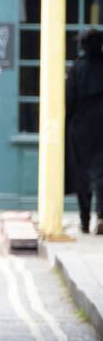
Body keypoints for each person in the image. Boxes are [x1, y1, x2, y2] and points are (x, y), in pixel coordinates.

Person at [67, 28, 103, 234]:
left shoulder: (77, 68)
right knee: (102, 175)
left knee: (83, 175)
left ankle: (84, 220)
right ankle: (102, 216)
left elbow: (69, 100)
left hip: (82, 128)